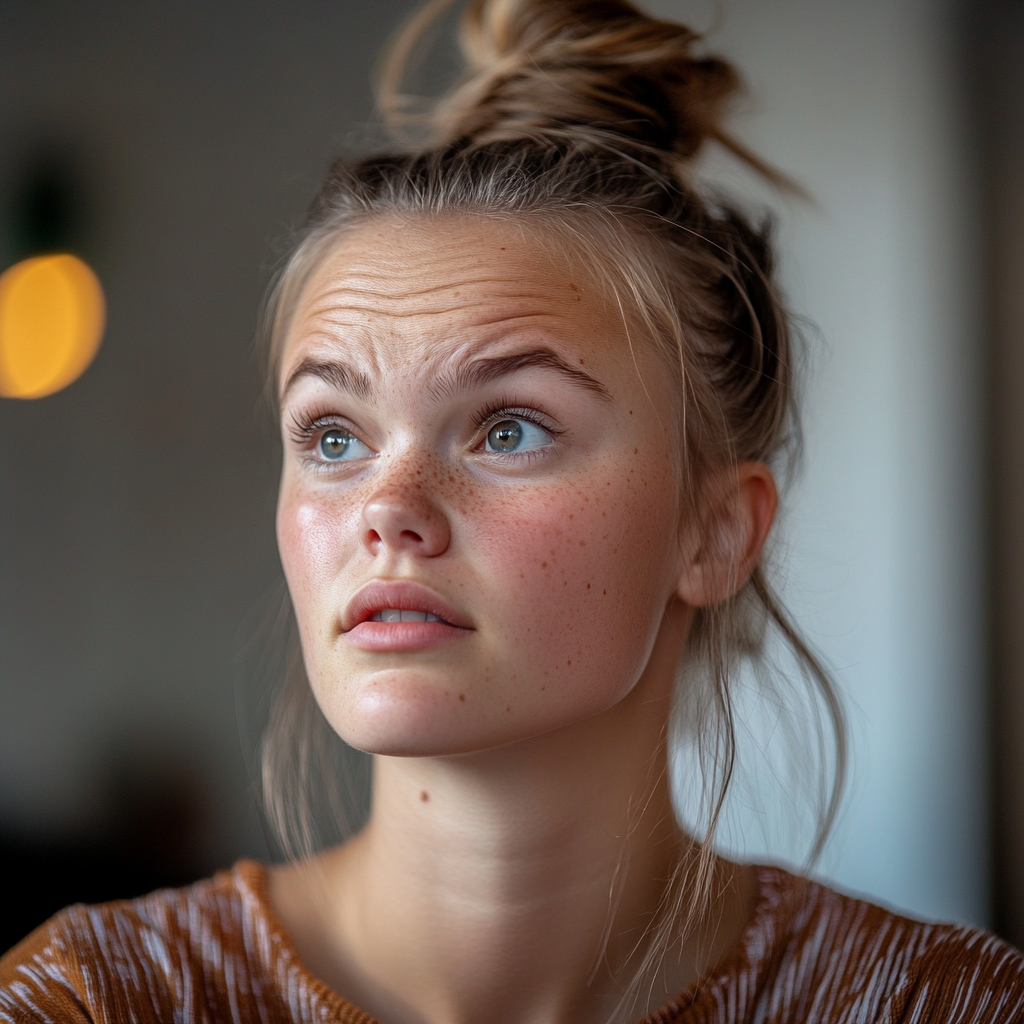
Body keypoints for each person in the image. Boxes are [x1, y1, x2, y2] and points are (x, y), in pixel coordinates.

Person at [3, 1, 1023, 1021]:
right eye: (333, 438)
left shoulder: (934, 1006)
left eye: (509, 429)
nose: (387, 511)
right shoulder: (94, 1001)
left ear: (714, 532)